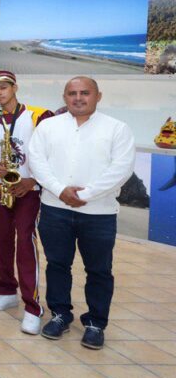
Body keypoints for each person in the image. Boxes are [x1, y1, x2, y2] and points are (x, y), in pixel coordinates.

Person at [28, 76, 135, 350]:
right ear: (64, 97)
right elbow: (37, 162)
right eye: (72, 93)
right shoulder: (48, 127)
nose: (78, 98)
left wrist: (83, 196)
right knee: (58, 265)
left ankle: (96, 323)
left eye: (85, 93)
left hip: (99, 214)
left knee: (99, 270)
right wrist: (60, 189)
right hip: (55, 209)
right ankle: (60, 314)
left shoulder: (117, 129)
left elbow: (121, 169)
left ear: (98, 96)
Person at [0, 70, 53, 335]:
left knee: (24, 241)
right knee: (1, 239)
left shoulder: (39, 116)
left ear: (15, 87)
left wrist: (32, 180)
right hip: (1, 188)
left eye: (4, 87)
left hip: (27, 190)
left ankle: (32, 306)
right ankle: (7, 290)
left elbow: (53, 153)